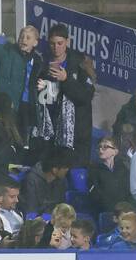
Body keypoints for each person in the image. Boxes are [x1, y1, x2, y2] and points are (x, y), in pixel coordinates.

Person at [29, 22, 96, 166]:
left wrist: (66, 80)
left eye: (60, 43)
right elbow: (40, 97)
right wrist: (40, 88)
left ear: (67, 42)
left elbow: (86, 97)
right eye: (52, 44)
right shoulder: (42, 63)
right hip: (51, 133)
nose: (56, 48)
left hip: (75, 134)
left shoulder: (80, 64)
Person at [0, 25, 41, 143]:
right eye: (21, 36)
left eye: (28, 38)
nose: (23, 40)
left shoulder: (38, 61)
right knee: (3, 137)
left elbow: (44, 76)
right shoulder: (8, 52)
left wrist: (44, 83)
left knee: (22, 140)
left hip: (25, 106)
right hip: (4, 104)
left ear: (35, 43)